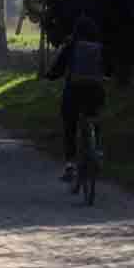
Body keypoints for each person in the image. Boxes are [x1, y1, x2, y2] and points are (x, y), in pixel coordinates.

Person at [41, 16, 112, 182]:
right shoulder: (100, 47)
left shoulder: (71, 46)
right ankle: (98, 150)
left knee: (70, 125)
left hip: (74, 90)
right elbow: (109, 69)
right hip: (95, 90)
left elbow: (57, 68)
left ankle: (70, 165)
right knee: (94, 116)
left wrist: (50, 76)